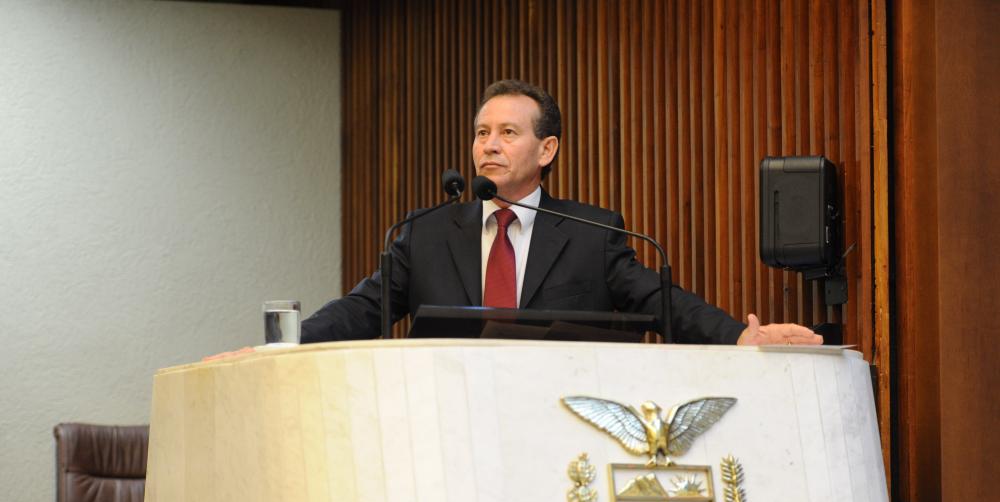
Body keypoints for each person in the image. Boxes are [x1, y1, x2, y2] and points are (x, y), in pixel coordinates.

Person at [300, 79, 821, 346]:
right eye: (482, 133)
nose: (489, 145)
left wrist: (739, 336)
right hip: (447, 430)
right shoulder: (425, 233)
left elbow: (662, 304)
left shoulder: (590, 234)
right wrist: (285, 343)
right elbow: (361, 309)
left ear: (546, 149)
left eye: (508, 133)